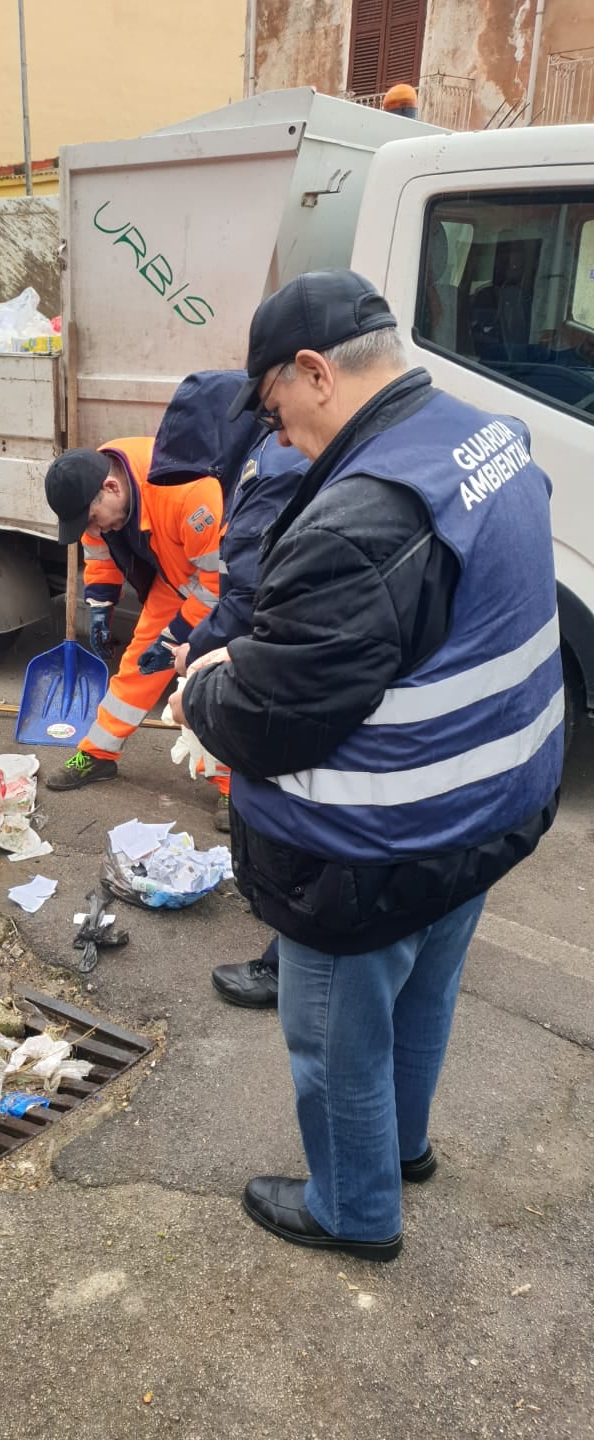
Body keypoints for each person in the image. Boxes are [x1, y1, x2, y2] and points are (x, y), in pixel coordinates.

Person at [177, 270, 562, 1262]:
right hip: (491, 809)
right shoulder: (482, 437)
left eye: (277, 411)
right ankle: (403, 1148)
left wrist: (203, 688)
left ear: (314, 373)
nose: (281, 438)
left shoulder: (362, 519)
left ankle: (355, 1208)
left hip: (376, 846)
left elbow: (269, 720)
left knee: (334, 1040)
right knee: (425, 992)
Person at [175, 416, 308, 1004]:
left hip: (293, 672)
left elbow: (245, 597)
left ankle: (289, 963)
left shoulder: (270, 471)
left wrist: (199, 677)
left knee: (301, 807)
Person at [43, 438, 224, 812]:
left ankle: (230, 787)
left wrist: (176, 637)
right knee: (137, 668)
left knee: (210, 680)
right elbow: (99, 552)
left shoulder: (189, 492)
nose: (94, 528)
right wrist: (99, 606)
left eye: (93, 519)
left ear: (110, 488)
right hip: (175, 583)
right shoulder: (102, 476)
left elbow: (218, 584)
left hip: (223, 593)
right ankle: (98, 755)